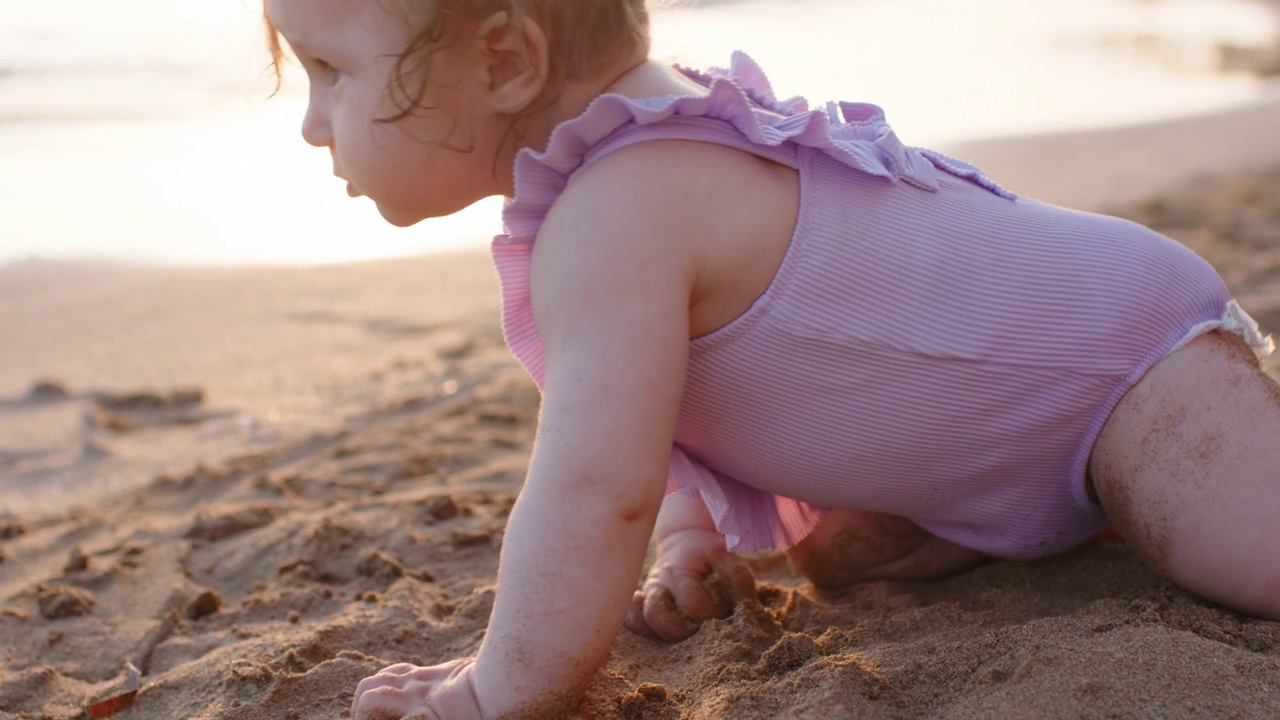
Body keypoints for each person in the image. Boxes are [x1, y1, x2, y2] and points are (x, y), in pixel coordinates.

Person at [261, 0, 1279, 717]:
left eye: (329, 72)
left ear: (503, 63)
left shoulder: (620, 211)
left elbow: (590, 485)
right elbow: (652, 416)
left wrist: (499, 686)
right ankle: (998, 509)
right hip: (1023, 420)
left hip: (1129, 372)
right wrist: (684, 532)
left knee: (1253, 557)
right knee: (826, 554)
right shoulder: (647, 166)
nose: (311, 126)